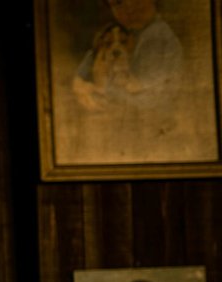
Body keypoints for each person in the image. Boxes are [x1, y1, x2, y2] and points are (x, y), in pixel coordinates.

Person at [66, 0, 209, 164]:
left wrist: (103, 90)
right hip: (126, 127)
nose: (129, 7)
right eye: (118, 3)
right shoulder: (132, 32)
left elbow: (148, 98)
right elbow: (95, 53)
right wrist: (79, 80)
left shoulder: (156, 37)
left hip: (153, 128)